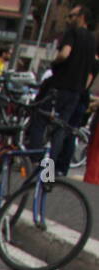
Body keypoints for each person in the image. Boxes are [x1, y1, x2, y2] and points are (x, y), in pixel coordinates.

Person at [29, 4, 97, 173]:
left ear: (81, 17)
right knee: (61, 129)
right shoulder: (92, 41)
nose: (69, 19)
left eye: (72, 16)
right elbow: (89, 72)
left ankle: (34, 161)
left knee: (39, 119)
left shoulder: (72, 33)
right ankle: (49, 171)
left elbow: (65, 53)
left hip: (60, 86)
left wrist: (55, 61)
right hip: (76, 92)